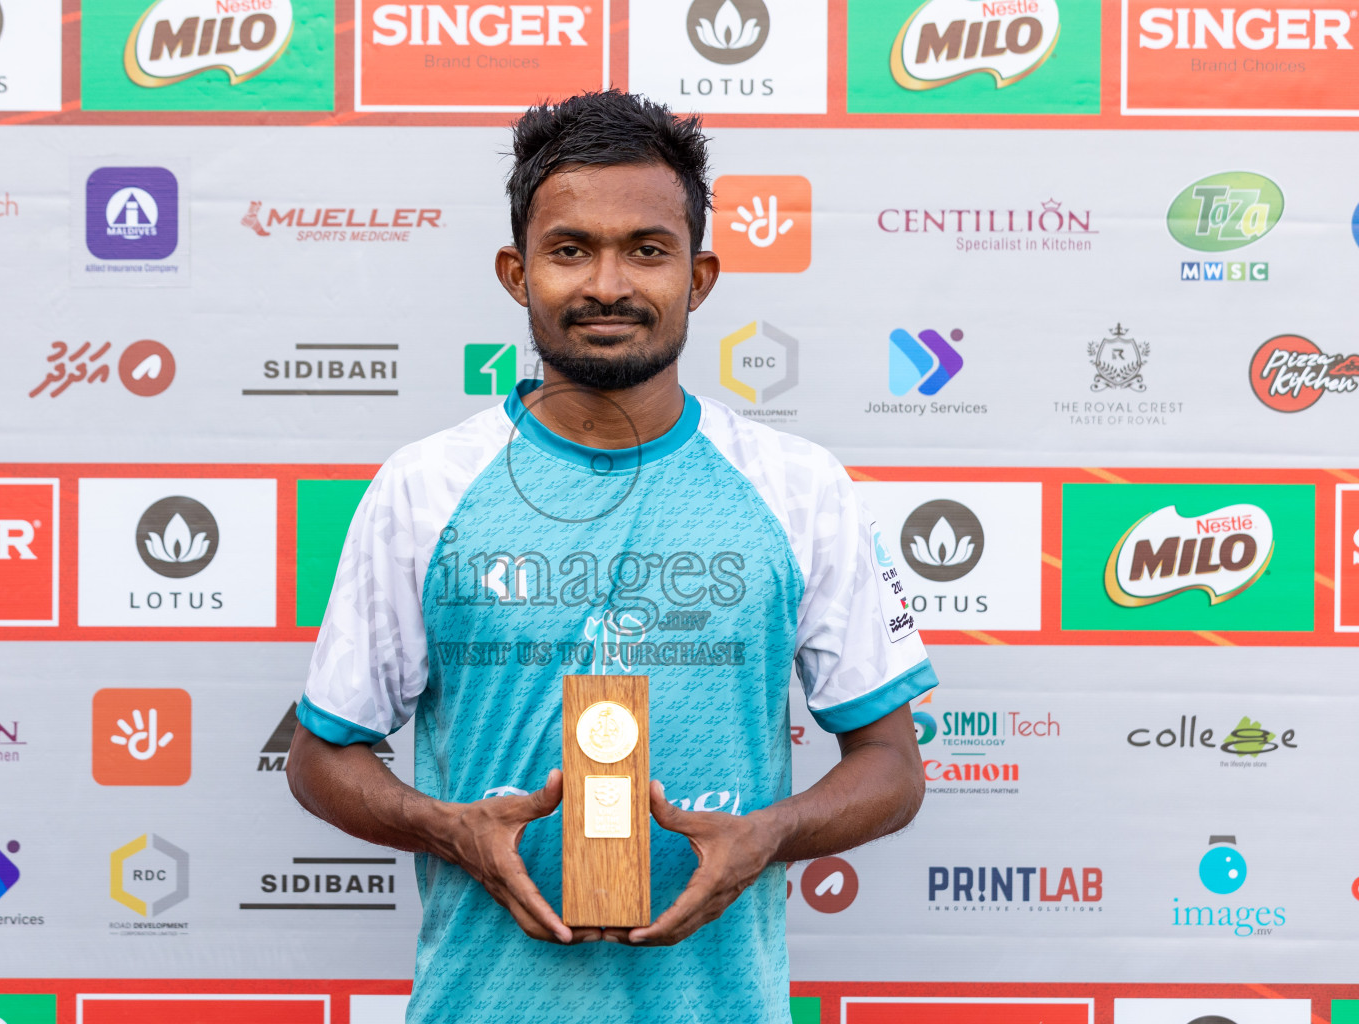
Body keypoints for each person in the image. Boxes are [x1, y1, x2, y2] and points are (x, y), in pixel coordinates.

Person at [286, 90, 938, 1024]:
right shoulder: (424, 486)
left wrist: (770, 835)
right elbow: (319, 756)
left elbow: (891, 764)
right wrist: (448, 828)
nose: (607, 285)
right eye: (569, 249)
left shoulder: (801, 486)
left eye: (646, 248)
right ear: (516, 272)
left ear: (699, 276)